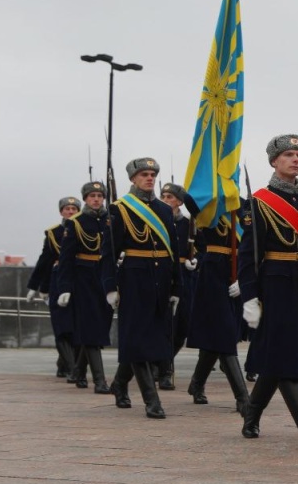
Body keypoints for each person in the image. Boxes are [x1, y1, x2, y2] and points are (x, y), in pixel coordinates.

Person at [237, 134, 298, 454]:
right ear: (274, 161)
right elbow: (249, 254)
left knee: (282, 357)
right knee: (287, 357)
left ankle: (252, 414)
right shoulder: (260, 201)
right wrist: (250, 296)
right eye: (289, 155)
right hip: (275, 288)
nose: (296, 160)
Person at [101, 157, 181, 419]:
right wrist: (110, 286)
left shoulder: (163, 209)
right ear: (133, 179)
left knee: (152, 339)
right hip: (133, 278)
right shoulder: (119, 208)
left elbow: (173, 250)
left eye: (152, 174)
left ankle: (120, 383)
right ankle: (151, 399)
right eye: (144, 174)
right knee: (136, 337)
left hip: (160, 278)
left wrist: (176, 286)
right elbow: (109, 252)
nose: (149, 178)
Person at [183, 193, 251, 415]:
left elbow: (251, 240)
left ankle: (196, 383)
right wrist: (212, 188)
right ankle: (242, 397)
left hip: (238, 272)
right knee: (225, 334)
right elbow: (188, 199)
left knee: (218, 337)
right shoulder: (208, 202)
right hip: (213, 274)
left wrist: (246, 277)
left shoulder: (243, 204)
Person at [57, 181, 113, 394]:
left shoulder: (111, 219)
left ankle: (79, 371)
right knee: (91, 328)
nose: (96, 199)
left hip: (105, 278)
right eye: (92, 196)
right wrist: (65, 287)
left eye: (100, 195)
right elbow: (66, 259)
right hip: (84, 280)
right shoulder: (76, 223)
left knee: (100, 328)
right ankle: (100, 381)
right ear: (86, 199)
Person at [27, 196, 81, 379]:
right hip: (58, 282)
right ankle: (73, 367)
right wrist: (35, 286)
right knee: (62, 327)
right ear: (61, 212)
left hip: (80, 280)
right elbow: (45, 260)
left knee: (76, 328)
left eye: (74, 209)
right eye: (67, 209)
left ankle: (63, 363)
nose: (71, 212)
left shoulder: (85, 228)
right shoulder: (53, 233)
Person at [157, 182, 196, 391]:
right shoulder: (156, 222)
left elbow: (203, 247)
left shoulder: (189, 225)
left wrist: (196, 259)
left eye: (170, 197)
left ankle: (163, 361)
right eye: (163, 196)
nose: (165, 200)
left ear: (180, 201)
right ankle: (164, 371)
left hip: (185, 279)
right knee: (165, 326)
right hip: (163, 277)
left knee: (182, 328)